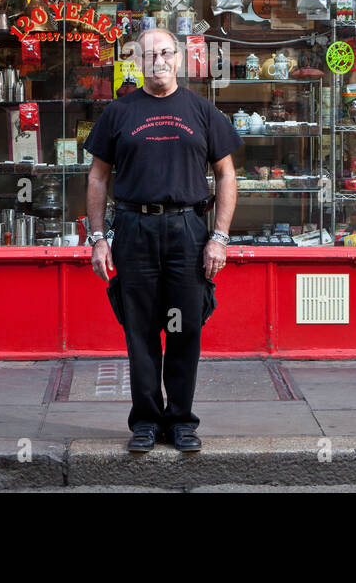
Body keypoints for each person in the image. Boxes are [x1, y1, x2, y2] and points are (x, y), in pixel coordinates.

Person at [84, 27, 241, 453]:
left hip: (187, 230)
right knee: (141, 329)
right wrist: (98, 238)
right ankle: (147, 421)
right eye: (149, 54)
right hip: (135, 229)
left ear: (179, 58)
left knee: (185, 326)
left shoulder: (202, 110)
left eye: (166, 53)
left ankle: (182, 420)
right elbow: (98, 176)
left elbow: (227, 174)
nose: (158, 61)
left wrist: (220, 238)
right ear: (137, 60)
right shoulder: (119, 112)